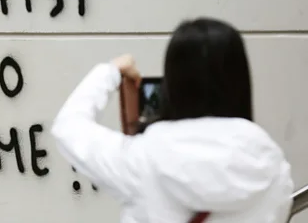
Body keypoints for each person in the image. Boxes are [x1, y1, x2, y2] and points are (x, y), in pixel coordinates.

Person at [51, 18, 294, 223]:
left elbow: (69, 127)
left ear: (173, 86)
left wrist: (112, 70)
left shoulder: (140, 161)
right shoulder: (274, 170)